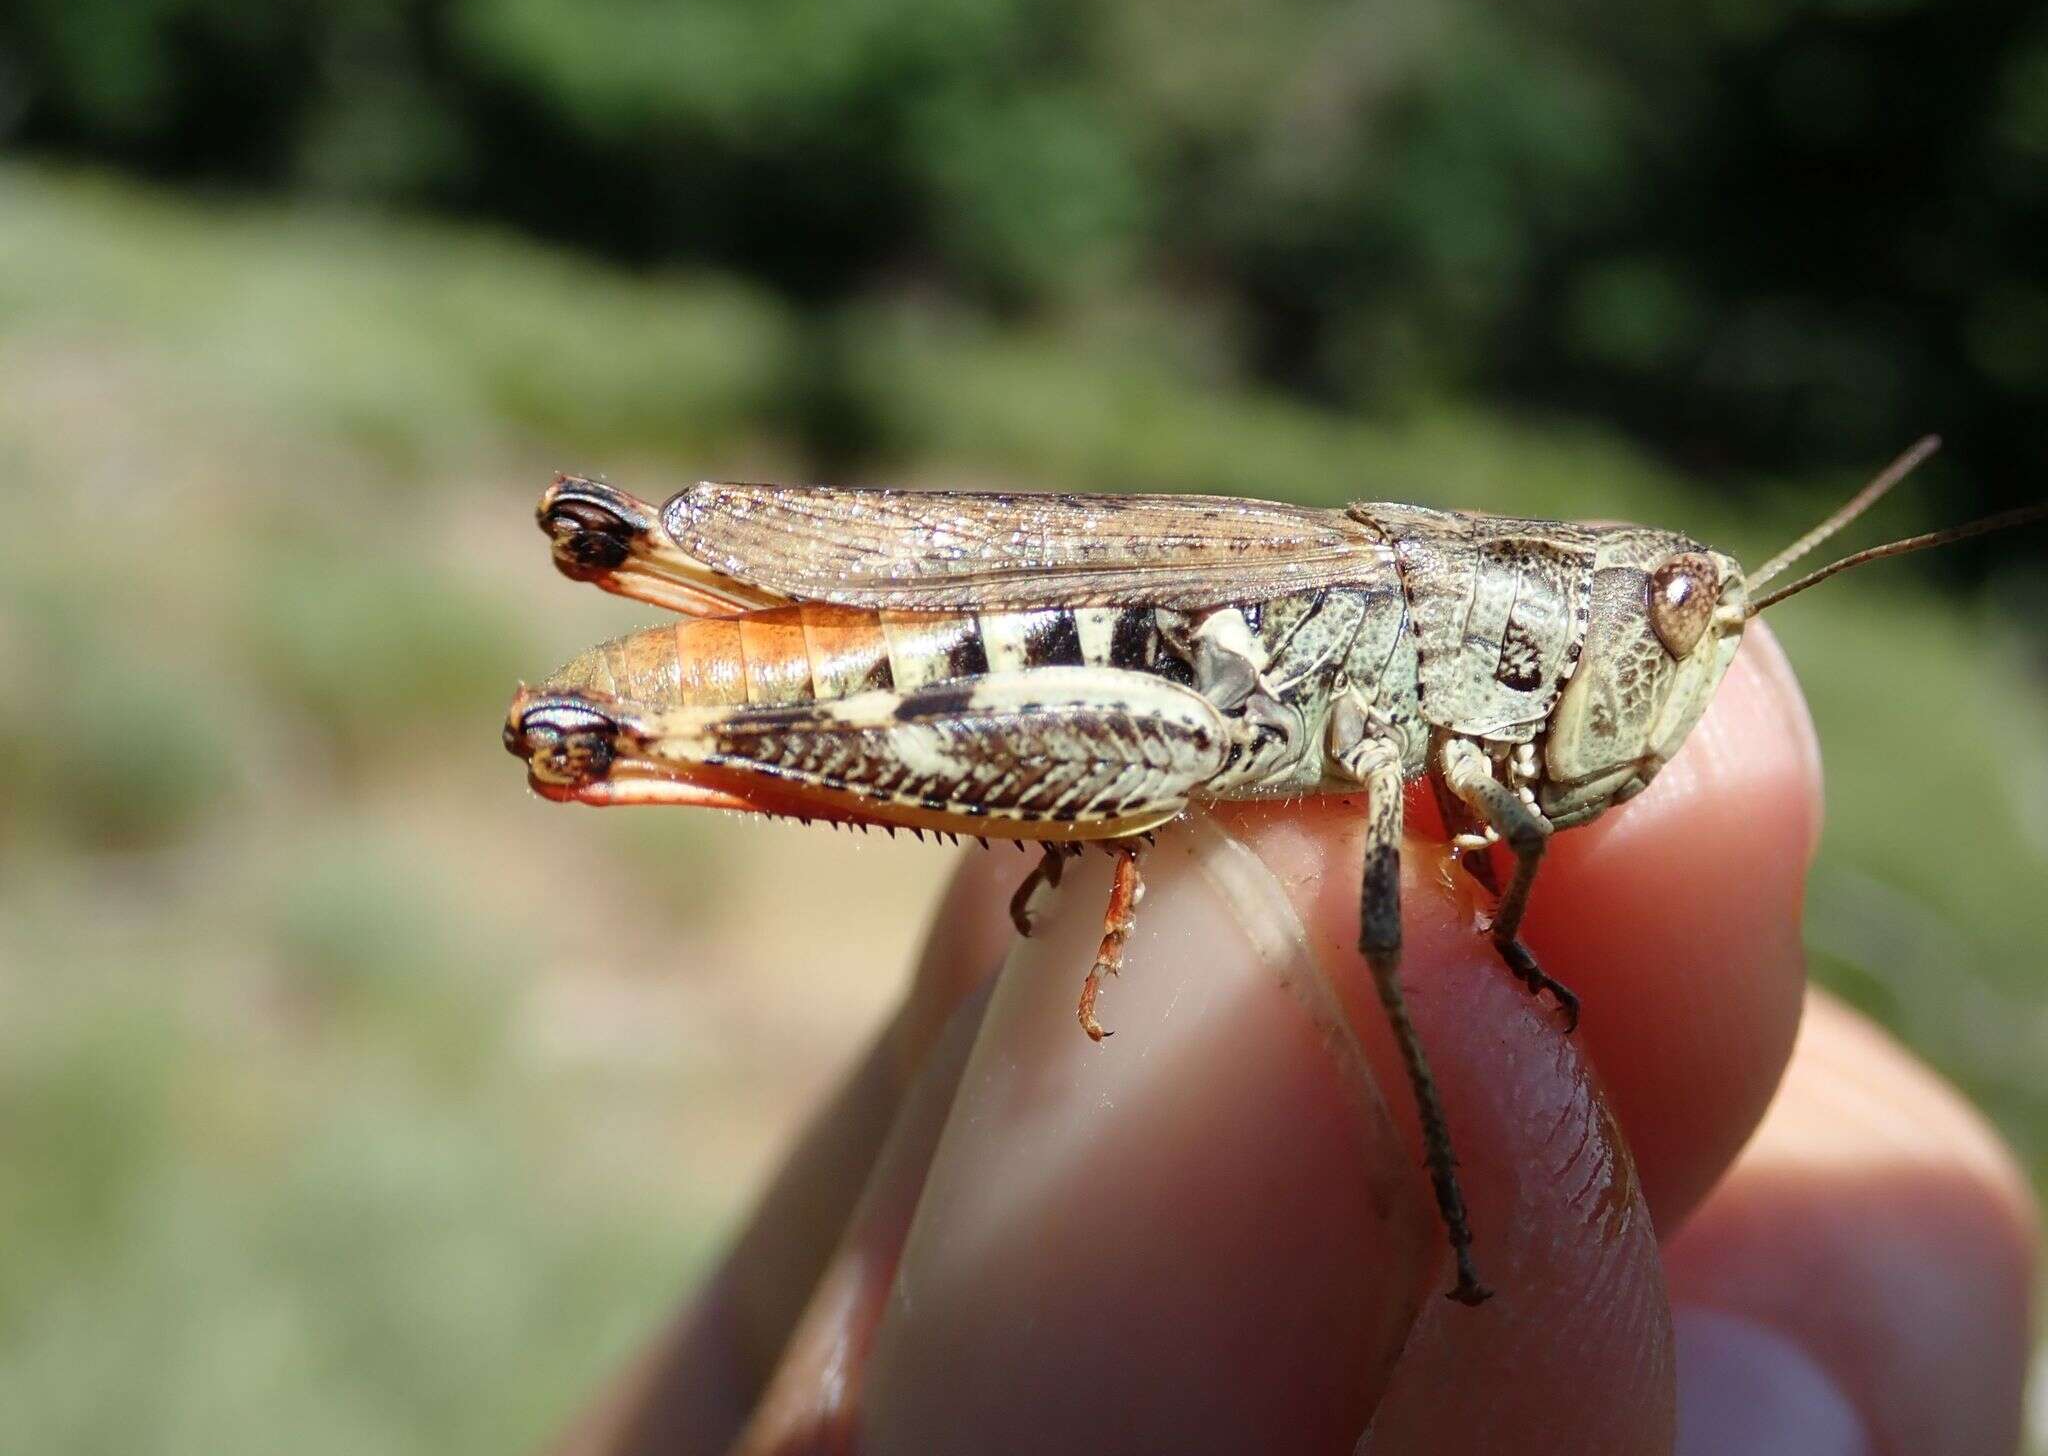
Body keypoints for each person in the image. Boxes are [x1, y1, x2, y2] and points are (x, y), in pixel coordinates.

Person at [550, 628, 2038, 1456]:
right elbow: (1375, 928)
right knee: (1371, 954)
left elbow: (1527, 820)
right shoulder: (1399, 650)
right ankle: (622, 739)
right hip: (1053, 642)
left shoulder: (1459, 724)